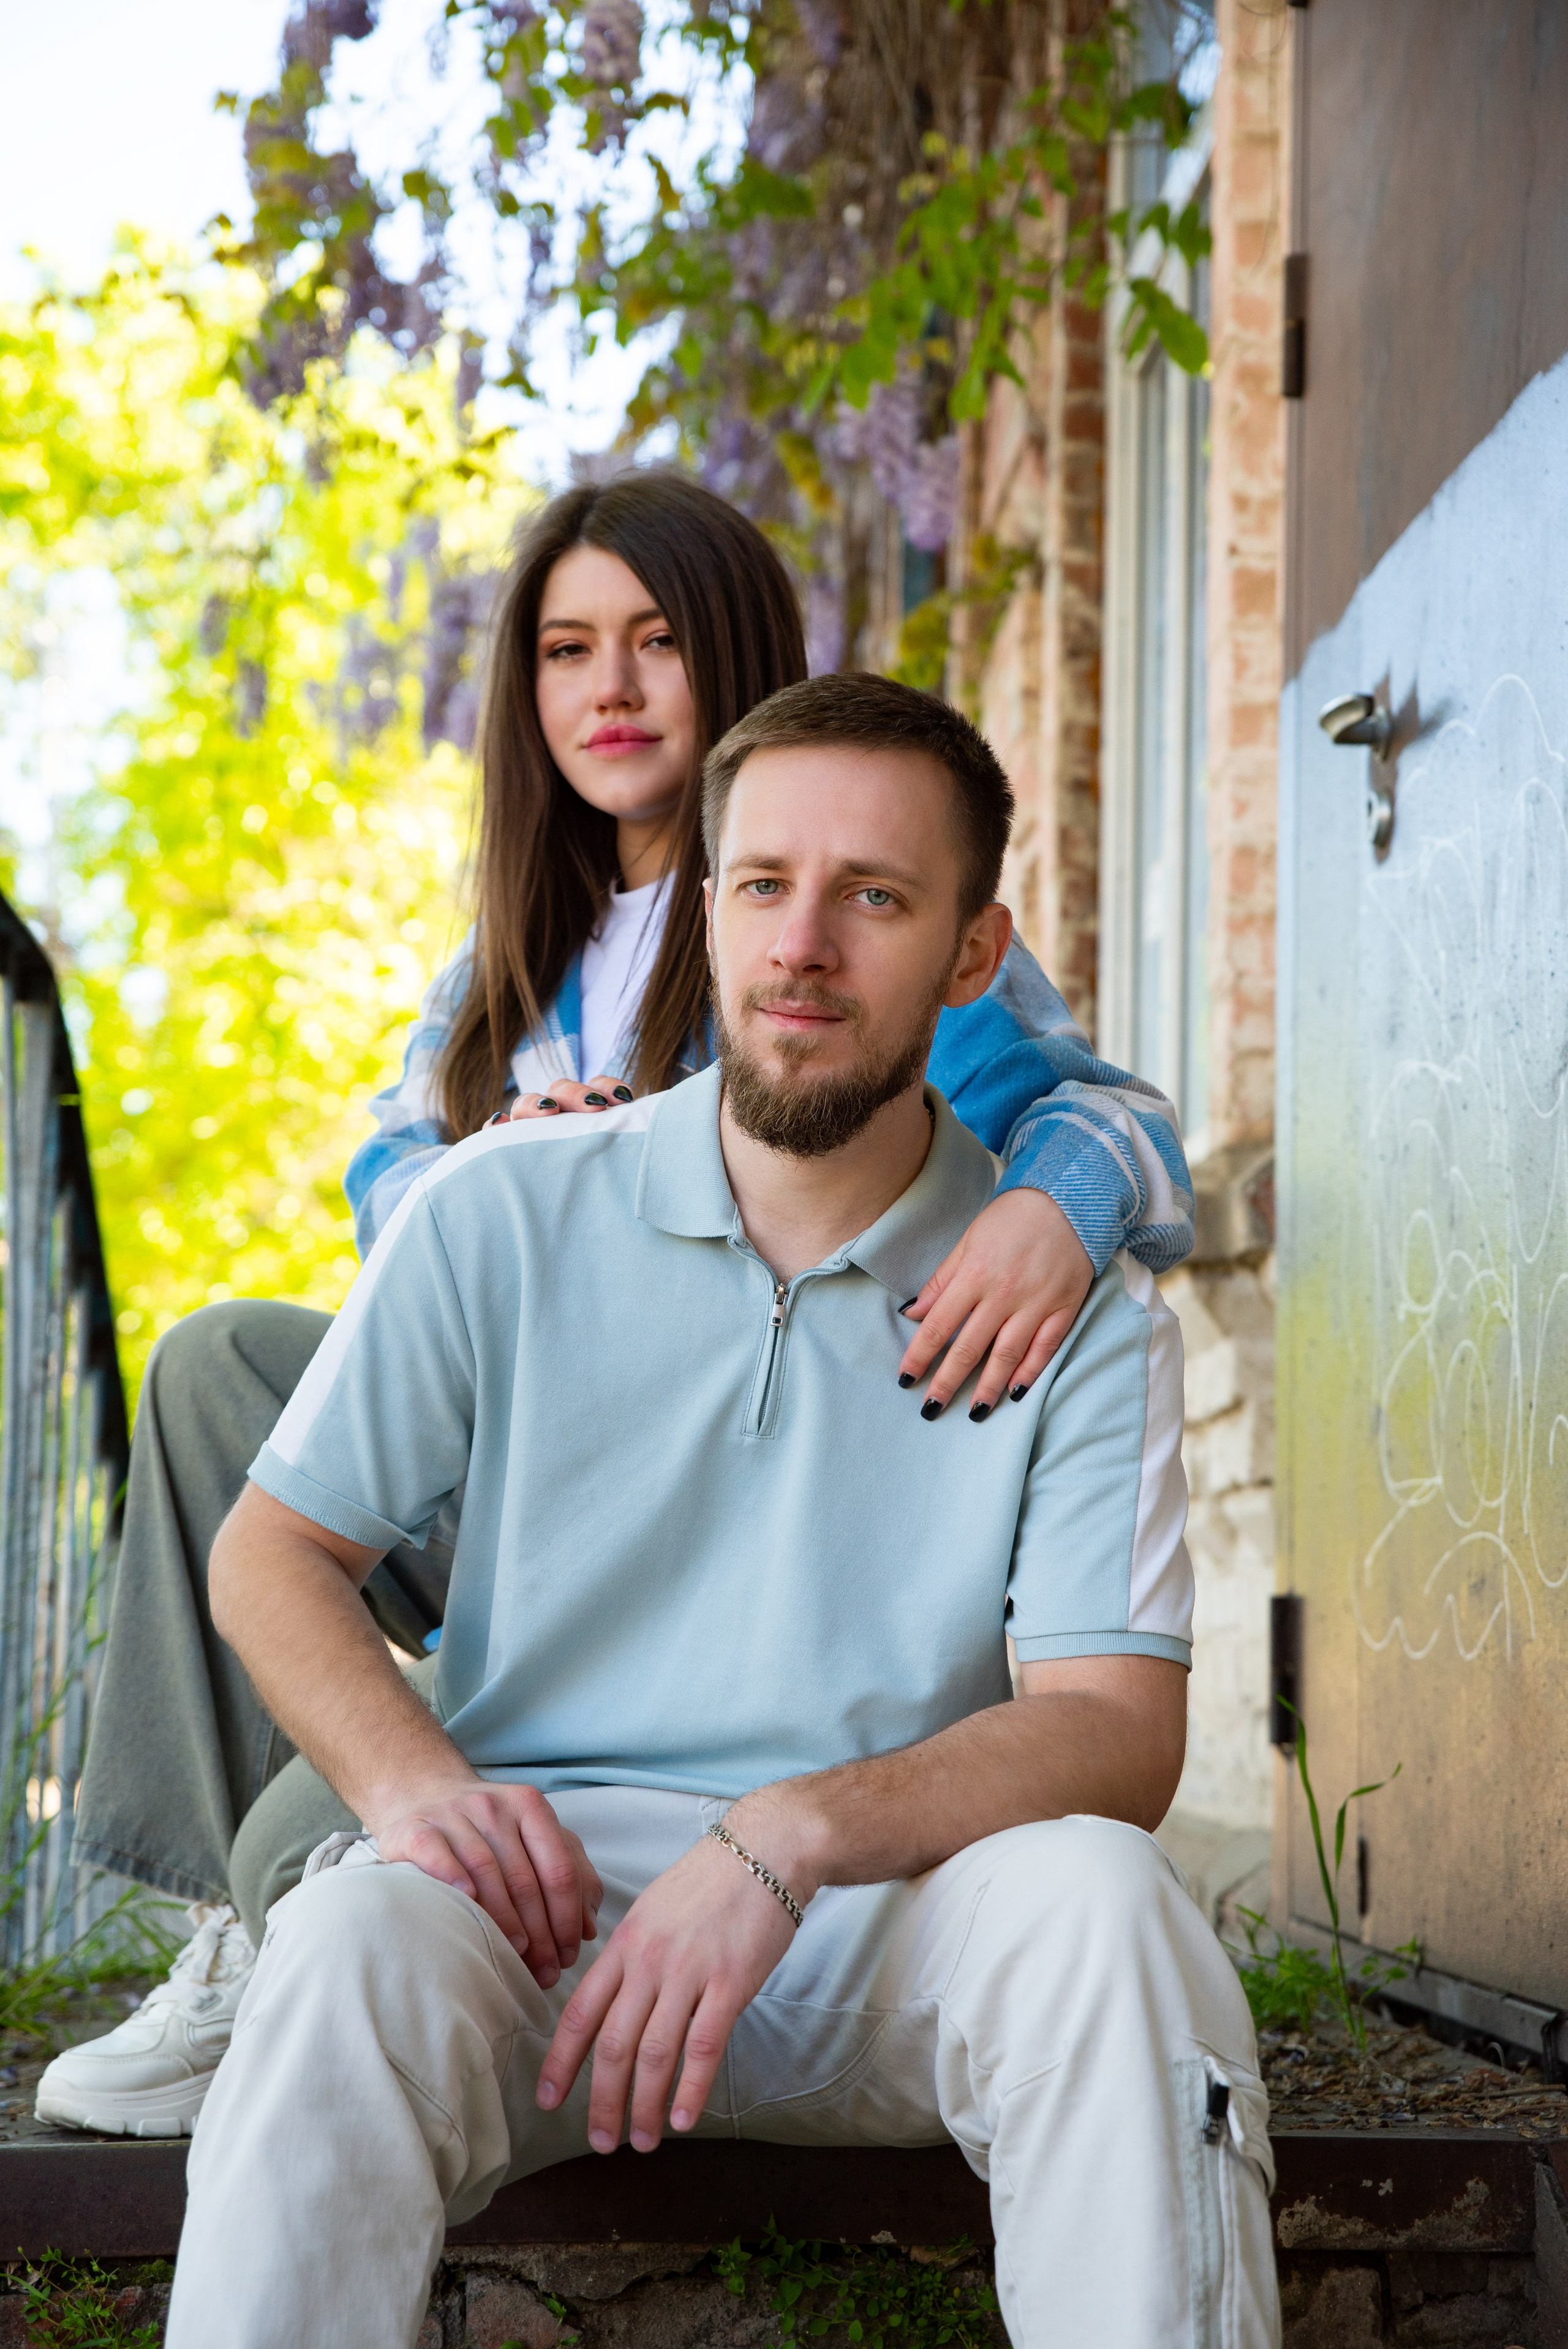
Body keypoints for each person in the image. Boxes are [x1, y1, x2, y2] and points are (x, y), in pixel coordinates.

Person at [42, 473, 1194, 2141]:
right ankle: (237, 1935)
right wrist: (499, 1174)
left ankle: (313, 1887)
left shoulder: (846, 898)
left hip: (746, 1501)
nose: (612, 688)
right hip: (533, 1445)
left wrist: (1051, 1207)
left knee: (388, 1786)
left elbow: (1121, 1116)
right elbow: (386, 1180)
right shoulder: (516, 939)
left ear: (738, 673)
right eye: (569, 651)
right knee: (223, 1365)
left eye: (657, 644)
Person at [161, 673, 1278, 2349]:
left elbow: (1116, 1732)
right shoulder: (495, 1215)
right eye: (763, 887)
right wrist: (420, 1790)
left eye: (875, 897)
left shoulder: (1078, 1314)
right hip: (540, 1907)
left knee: (1115, 1914)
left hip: (906, 1909)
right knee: (340, 1951)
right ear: (708, 910)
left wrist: (788, 1834)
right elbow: (274, 1552)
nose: (804, 946)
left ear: (975, 959)